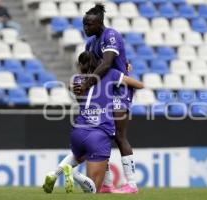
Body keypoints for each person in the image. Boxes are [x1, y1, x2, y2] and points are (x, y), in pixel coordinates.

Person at [43, 51, 143, 194]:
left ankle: (54, 173)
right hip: (98, 133)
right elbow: (139, 85)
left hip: (78, 131)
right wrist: (124, 77)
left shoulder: (77, 80)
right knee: (95, 190)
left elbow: (75, 92)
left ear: (81, 65)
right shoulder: (110, 74)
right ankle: (75, 175)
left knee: (79, 156)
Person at [73, 4, 138, 193]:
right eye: (84, 25)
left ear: (100, 23)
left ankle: (132, 185)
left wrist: (86, 84)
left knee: (119, 136)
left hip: (119, 90)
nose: (86, 28)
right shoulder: (90, 44)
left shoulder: (110, 35)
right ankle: (107, 184)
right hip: (103, 93)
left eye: (89, 25)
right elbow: (88, 68)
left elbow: (108, 64)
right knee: (101, 137)